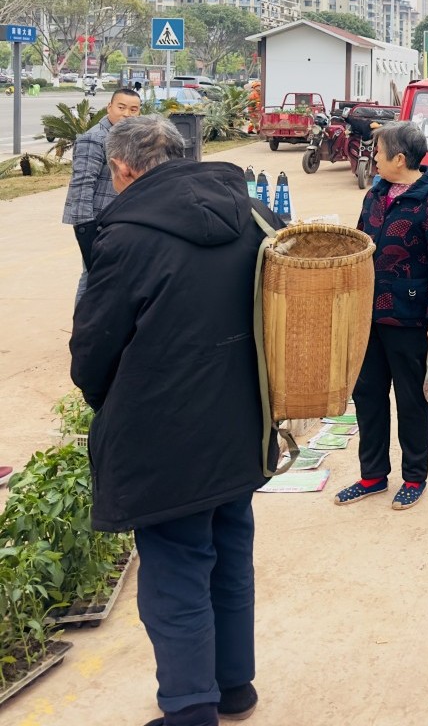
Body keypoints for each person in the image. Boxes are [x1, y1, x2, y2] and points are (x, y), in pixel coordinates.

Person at [70, 116, 284, 726]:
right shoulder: (253, 215)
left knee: (175, 572)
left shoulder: (127, 238)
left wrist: (109, 401)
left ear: (122, 168)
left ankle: (190, 710)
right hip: (242, 425)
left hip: (164, 438)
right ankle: (233, 686)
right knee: (230, 554)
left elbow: (92, 351)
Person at [333, 122, 428, 510]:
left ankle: (414, 477)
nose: (373, 157)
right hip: (369, 315)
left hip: (410, 317)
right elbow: (359, 244)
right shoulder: (376, 194)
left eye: (378, 151)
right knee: (367, 395)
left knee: (410, 400)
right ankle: (372, 475)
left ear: (400, 158)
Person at [62, 87, 142, 303]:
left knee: (112, 275)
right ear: (109, 107)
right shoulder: (94, 139)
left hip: (122, 220)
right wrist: (85, 228)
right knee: (92, 276)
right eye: (121, 107)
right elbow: (82, 185)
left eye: (133, 109)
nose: (127, 114)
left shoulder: (131, 139)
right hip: (97, 222)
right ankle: (83, 321)